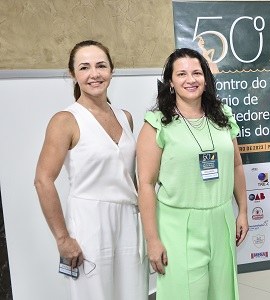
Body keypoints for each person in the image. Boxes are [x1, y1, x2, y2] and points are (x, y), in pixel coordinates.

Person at [34, 40, 148, 300]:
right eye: (84, 67)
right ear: (73, 74)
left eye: (101, 66)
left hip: (129, 220)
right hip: (89, 224)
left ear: (111, 70)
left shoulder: (125, 117)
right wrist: (63, 239)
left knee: (133, 294)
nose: (94, 74)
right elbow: (43, 180)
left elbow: (130, 175)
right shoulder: (65, 120)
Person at [136, 48, 248, 300]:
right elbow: (145, 184)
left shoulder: (222, 117)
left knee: (223, 293)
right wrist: (152, 240)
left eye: (197, 72)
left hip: (221, 219)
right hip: (178, 224)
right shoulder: (157, 123)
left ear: (206, 79)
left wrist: (242, 210)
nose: (191, 79)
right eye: (182, 74)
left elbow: (237, 165)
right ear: (171, 82)